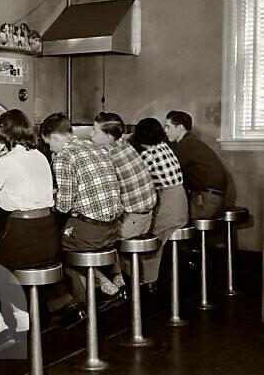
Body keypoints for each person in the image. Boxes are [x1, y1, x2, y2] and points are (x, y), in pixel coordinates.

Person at [0, 109, 60, 350]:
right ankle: (33, 314)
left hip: (23, 233)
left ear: (4, 132)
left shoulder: (5, 162)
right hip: (48, 234)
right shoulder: (40, 156)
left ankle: (6, 323)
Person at [40, 113, 123, 324]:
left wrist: (51, 196)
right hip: (113, 229)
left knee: (52, 250)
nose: (50, 149)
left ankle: (82, 304)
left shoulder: (63, 156)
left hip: (91, 232)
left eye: (49, 144)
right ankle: (104, 286)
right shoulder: (95, 147)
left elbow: (64, 206)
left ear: (56, 138)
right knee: (68, 235)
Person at [90, 112, 158, 293]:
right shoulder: (125, 146)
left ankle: (108, 285)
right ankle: (118, 277)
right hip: (146, 218)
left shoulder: (106, 154)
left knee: (89, 239)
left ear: (108, 136)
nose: (90, 135)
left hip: (132, 222)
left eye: (95, 131)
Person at [131, 118, 188, 285]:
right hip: (180, 202)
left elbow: (137, 181)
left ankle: (146, 279)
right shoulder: (165, 147)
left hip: (168, 207)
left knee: (149, 237)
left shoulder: (147, 155)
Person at [165, 110, 228, 219]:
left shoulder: (185, 146)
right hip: (214, 200)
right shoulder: (192, 142)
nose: (165, 131)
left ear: (180, 128)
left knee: (165, 213)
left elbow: (171, 176)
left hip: (206, 202)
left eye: (168, 127)